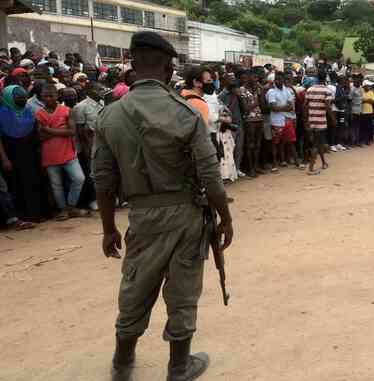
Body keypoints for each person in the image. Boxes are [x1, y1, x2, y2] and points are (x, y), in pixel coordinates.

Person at [94, 31, 233, 381]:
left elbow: (104, 181)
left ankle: (123, 363)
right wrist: (226, 217)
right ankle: (179, 367)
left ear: (132, 64)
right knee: (183, 289)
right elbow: (211, 176)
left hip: (141, 215)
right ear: (170, 67)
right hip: (185, 214)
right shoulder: (185, 113)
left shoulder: (109, 116)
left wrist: (109, 228)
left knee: (135, 287)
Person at [36, 84, 89, 220]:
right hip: (49, 154)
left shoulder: (66, 110)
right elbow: (40, 136)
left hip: (68, 153)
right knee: (56, 185)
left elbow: (72, 131)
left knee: (79, 178)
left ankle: (70, 207)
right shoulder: (39, 113)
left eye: (51, 96)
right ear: (41, 98)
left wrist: (50, 130)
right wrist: (61, 130)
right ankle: (63, 209)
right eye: (45, 96)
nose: (48, 99)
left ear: (57, 96)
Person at [0, 85, 48, 223]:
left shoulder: (28, 111)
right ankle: (21, 216)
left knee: (34, 183)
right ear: (9, 98)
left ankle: (37, 214)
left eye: (23, 97)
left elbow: (36, 134)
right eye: (18, 97)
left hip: (31, 154)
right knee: (16, 185)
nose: (21, 99)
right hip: (11, 156)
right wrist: (4, 159)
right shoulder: (2, 113)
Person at [71, 82, 105, 211]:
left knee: (100, 172)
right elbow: (80, 131)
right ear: (90, 91)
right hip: (88, 145)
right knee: (90, 173)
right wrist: (87, 149)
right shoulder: (81, 107)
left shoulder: (102, 103)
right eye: (99, 89)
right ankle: (92, 199)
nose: (102, 91)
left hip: (101, 142)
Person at [267, 71, 302, 170]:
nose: (278, 81)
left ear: (283, 80)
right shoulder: (271, 92)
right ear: (274, 80)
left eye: (280, 79)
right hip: (276, 121)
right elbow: (273, 108)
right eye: (276, 79)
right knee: (275, 143)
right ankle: (274, 164)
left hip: (287, 120)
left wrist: (280, 108)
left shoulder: (287, 90)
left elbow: (291, 106)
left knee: (291, 141)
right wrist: (284, 108)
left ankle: (296, 162)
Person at [305, 69, 335, 175]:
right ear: (325, 78)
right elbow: (327, 106)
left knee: (319, 143)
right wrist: (333, 119)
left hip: (311, 120)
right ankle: (311, 168)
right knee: (316, 144)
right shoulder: (327, 91)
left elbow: (305, 105)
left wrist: (306, 120)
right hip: (320, 121)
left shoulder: (310, 89)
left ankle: (323, 163)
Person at [239, 69, 265, 177]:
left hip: (259, 119)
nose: (256, 80)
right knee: (250, 145)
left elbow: (263, 106)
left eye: (257, 78)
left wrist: (260, 95)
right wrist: (257, 101)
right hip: (249, 120)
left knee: (258, 144)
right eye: (254, 78)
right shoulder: (242, 90)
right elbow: (245, 108)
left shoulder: (258, 89)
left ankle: (256, 166)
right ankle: (250, 168)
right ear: (248, 77)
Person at [218, 79, 246, 178]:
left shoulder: (238, 96)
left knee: (239, 148)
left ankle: (237, 169)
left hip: (239, 124)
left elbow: (244, 109)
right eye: (237, 88)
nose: (239, 89)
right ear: (232, 88)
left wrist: (240, 97)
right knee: (229, 149)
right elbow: (221, 111)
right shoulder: (223, 96)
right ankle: (228, 172)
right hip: (229, 127)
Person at [350, 74, 364, 146]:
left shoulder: (361, 88)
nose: (358, 82)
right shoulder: (352, 89)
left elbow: (362, 100)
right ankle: (353, 141)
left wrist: (361, 110)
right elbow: (349, 100)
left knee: (358, 126)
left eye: (359, 81)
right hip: (353, 110)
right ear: (355, 81)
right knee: (353, 126)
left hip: (360, 109)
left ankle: (357, 141)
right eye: (357, 81)